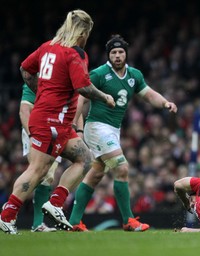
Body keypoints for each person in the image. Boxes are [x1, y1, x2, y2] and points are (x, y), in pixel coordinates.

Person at [0, 9, 115, 235]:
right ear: (83, 32)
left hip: (56, 121)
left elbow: (25, 68)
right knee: (38, 170)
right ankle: (7, 216)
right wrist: (104, 97)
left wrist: (40, 90)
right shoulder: (75, 53)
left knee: (85, 158)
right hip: (51, 121)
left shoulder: (47, 47)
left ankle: (55, 203)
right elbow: (83, 87)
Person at [68, 34, 177, 232]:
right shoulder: (99, 74)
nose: (117, 55)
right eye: (113, 52)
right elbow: (81, 99)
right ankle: (128, 220)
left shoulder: (134, 75)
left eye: (120, 52)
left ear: (126, 54)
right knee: (122, 167)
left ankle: (74, 221)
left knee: (96, 174)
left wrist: (165, 103)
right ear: (108, 55)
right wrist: (76, 126)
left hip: (113, 130)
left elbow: (149, 94)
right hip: (97, 127)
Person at [19, 83, 58, 232]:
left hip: (55, 131)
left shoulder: (63, 80)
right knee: (37, 173)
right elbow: (24, 110)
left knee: (48, 177)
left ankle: (37, 224)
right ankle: (9, 212)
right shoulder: (35, 81)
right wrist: (32, 135)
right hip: (35, 131)